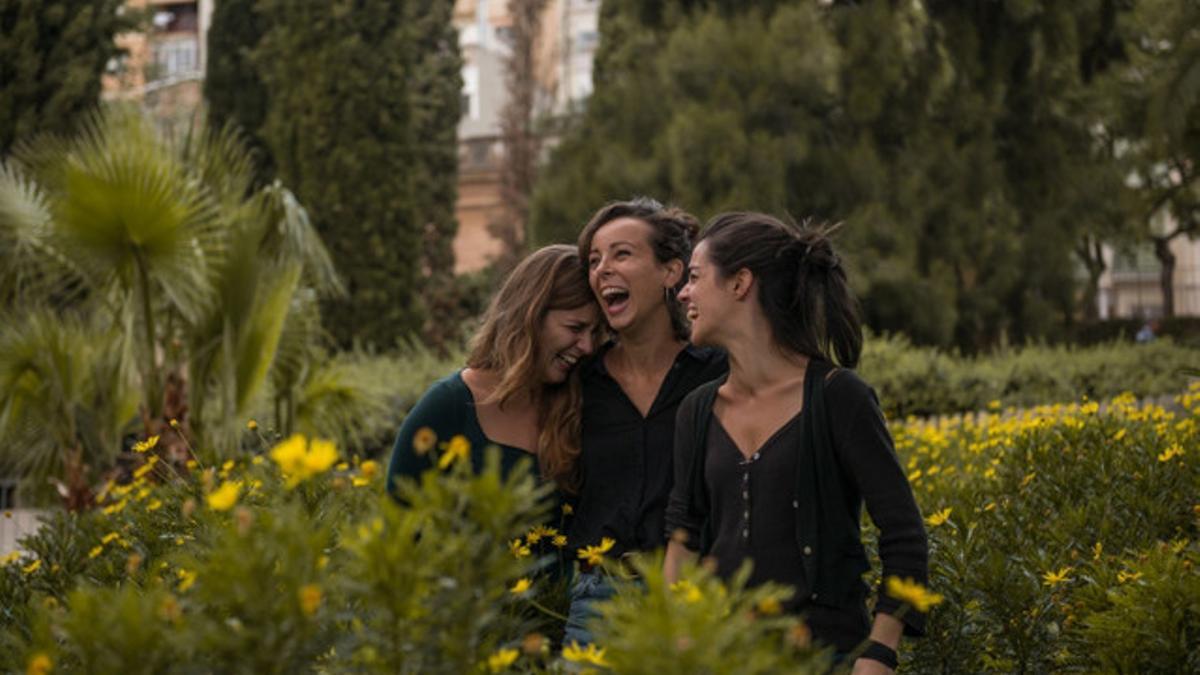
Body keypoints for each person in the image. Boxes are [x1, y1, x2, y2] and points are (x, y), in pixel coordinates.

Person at [664, 213, 928, 674]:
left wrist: (881, 651)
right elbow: (683, 539)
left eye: (694, 277)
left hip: (826, 656)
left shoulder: (839, 397)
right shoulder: (697, 410)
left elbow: (905, 536)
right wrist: (675, 636)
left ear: (740, 283)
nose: (683, 293)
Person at [562, 198, 728, 646]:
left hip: (696, 594)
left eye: (621, 254)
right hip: (598, 601)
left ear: (672, 272)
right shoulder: (579, 380)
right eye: (594, 260)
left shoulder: (717, 373)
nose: (602, 270)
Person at [386, 244, 600, 497]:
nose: (588, 346)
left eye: (596, 333)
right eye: (575, 328)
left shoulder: (580, 404)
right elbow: (398, 521)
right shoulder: (448, 406)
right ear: (530, 316)